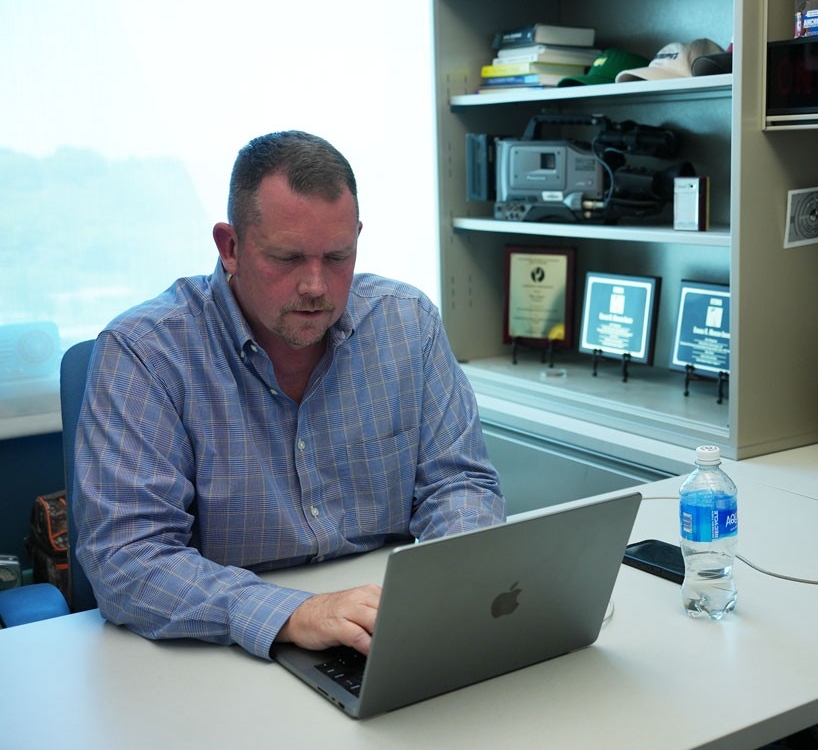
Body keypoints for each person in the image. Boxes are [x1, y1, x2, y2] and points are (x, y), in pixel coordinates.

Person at [73, 130, 507, 661]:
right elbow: (127, 558)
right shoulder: (145, 352)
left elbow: (459, 481)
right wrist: (293, 614)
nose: (316, 286)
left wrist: (453, 585)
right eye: (288, 258)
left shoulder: (406, 322)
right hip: (223, 653)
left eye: (338, 256)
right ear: (230, 247)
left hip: (383, 629)